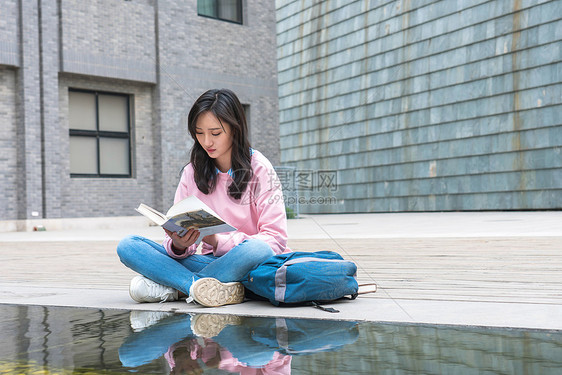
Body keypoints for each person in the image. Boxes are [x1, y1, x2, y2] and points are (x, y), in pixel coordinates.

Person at [117, 88, 289, 307]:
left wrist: (217, 240)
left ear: (235, 129)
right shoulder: (192, 172)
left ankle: (178, 288)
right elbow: (181, 238)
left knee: (258, 249)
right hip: (210, 263)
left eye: (215, 133)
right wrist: (179, 245)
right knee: (128, 246)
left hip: (250, 262)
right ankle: (203, 287)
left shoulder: (260, 168)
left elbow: (275, 240)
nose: (207, 142)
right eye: (199, 133)